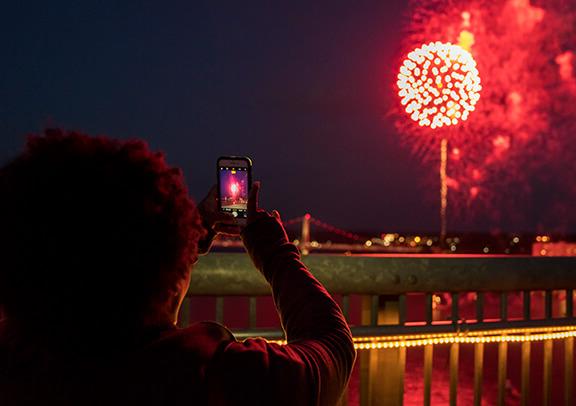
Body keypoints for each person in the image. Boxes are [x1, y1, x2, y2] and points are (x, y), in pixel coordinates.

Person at [0, 129, 355, 405]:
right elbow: (331, 346)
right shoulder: (208, 374)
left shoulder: (18, 361)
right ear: (170, 278)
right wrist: (272, 249)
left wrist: (192, 228)